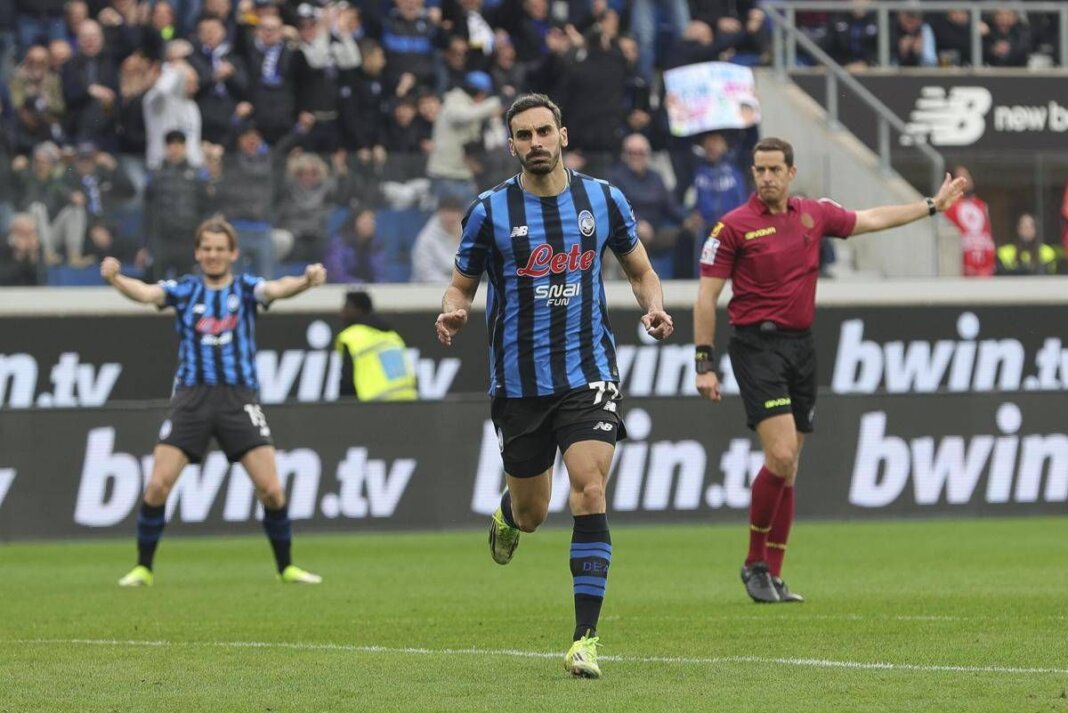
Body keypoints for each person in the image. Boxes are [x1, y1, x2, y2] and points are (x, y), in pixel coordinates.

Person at [435, 93, 674, 678]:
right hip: (519, 383)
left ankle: (584, 639)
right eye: (524, 135)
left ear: (562, 135)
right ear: (511, 145)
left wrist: (654, 306)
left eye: (544, 131)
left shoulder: (604, 199)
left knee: (589, 488)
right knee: (533, 511)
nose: (536, 142)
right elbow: (461, 284)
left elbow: (641, 270)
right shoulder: (489, 210)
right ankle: (508, 515)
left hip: (588, 372)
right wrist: (453, 311)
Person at [692, 137, 966, 604]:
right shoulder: (732, 227)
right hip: (756, 347)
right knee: (781, 455)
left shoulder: (813, 215)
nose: (766, 177)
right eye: (759, 170)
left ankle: (774, 574)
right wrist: (704, 362)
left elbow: (871, 218)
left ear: (791, 172)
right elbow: (706, 296)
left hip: (801, 347)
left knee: (790, 466)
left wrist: (931, 206)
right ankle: (754, 562)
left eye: (774, 169)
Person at [100, 217, 326, 588]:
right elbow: (146, 294)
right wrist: (116, 279)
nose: (213, 255)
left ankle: (286, 567)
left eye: (220, 249)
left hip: (238, 398)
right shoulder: (185, 290)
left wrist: (305, 281)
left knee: (271, 490)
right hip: (192, 398)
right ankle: (143, 568)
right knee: (157, 485)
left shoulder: (246, 288)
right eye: (206, 248)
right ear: (197, 252)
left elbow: (277, 288)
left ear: (233, 253)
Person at [335, 290, 418, 401]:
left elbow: (347, 382)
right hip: (408, 402)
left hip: (374, 406)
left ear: (358, 309)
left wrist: (343, 407)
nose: (342, 312)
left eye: (347, 307)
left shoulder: (353, 337)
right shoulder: (392, 336)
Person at [942, 165, 995, 277]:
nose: (966, 180)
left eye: (967, 176)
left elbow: (988, 236)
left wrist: (990, 264)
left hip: (985, 270)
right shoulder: (949, 206)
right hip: (962, 271)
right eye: (961, 177)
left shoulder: (981, 205)